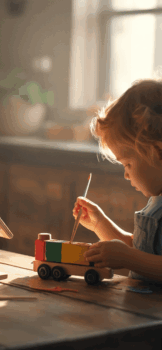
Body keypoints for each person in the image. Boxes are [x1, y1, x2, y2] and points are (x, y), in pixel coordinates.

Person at [73, 79, 162, 282]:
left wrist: (128, 258)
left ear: (157, 151)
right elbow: (142, 251)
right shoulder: (156, 201)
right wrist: (100, 224)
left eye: (128, 164)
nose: (126, 175)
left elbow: (136, 256)